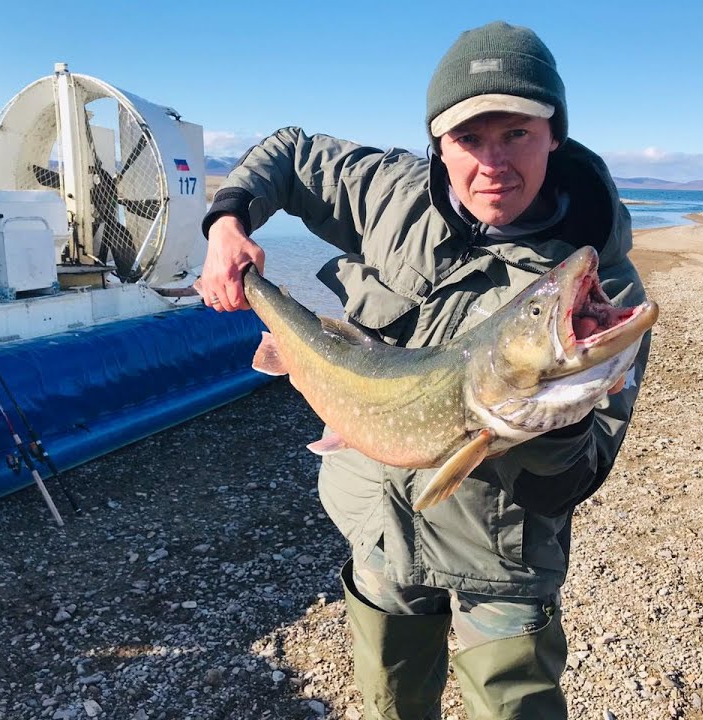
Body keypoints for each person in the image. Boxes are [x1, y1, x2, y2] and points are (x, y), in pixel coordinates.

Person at [195, 20, 651, 720]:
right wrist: (228, 222)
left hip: (499, 561)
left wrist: (558, 420)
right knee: (391, 704)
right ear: (438, 142)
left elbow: (573, 480)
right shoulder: (393, 194)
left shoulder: (602, 296)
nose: (492, 163)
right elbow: (289, 151)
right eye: (468, 138)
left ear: (554, 135)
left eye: (517, 134)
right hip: (377, 533)